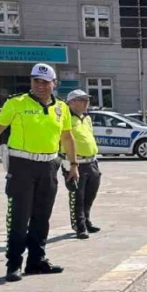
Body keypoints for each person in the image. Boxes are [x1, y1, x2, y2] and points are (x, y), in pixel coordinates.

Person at [0, 64, 78, 282]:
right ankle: (14, 264)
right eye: (36, 81)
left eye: (45, 82)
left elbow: (67, 137)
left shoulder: (62, 108)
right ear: (31, 82)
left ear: (53, 84)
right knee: (19, 217)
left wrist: (73, 165)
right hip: (22, 166)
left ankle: (37, 261)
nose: (40, 86)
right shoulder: (16, 103)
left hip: (49, 165)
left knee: (42, 217)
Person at [62, 89, 101, 239]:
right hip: (75, 162)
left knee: (90, 194)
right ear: (71, 102)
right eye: (81, 100)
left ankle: (87, 220)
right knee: (77, 195)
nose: (86, 103)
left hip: (92, 161)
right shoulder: (65, 118)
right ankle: (79, 226)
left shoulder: (87, 118)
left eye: (87, 100)